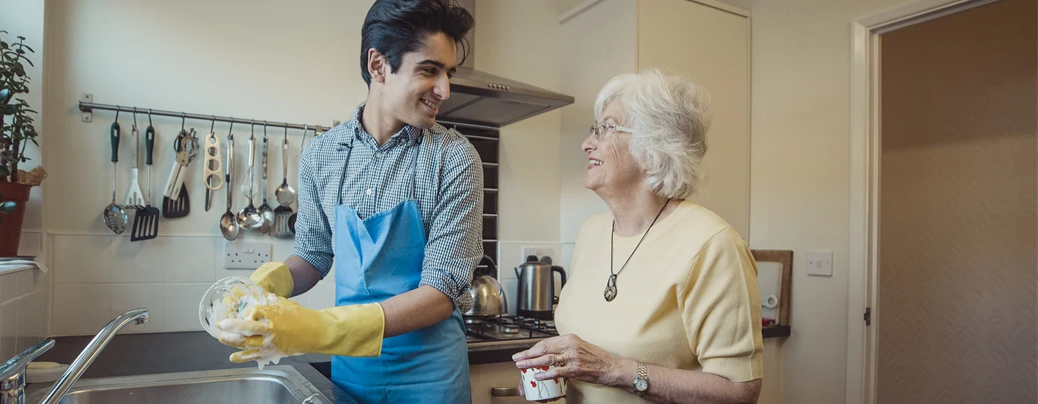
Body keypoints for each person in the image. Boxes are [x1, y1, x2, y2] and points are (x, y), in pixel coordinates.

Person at [216, 1, 480, 403]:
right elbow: (314, 255)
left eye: (449, 73)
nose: (445, 90)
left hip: (432, 380)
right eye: (429, 70)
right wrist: (265, 285)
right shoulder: (321, 154)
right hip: (352, 375)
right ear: (378, 65)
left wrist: (322, 329)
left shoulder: (455, 159)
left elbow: (441, 292)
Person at [512, 70, 764, 404]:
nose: (587, 144)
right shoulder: (590, 232)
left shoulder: (712, 244)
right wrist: (554, 375)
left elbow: (739, 392)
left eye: (606, 129)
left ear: (654, 146)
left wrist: (615, 370)